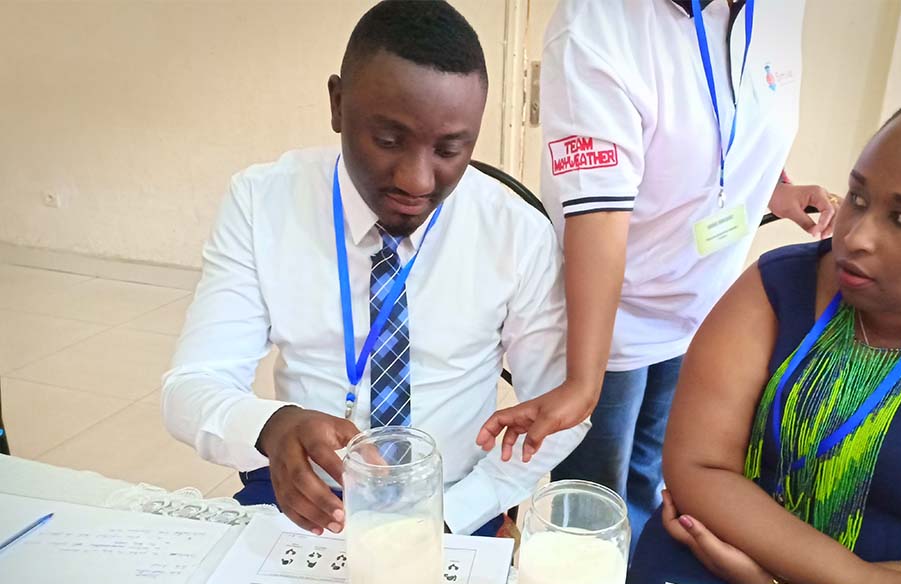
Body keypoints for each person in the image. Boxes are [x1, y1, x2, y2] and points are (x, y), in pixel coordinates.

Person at [162, 0, 588, 538]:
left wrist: (460, 514)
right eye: (388, 141)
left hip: (450, 502)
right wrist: (271, 425)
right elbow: (190, 387)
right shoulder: (262, 202)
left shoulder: (516, 233)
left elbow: (559, 409)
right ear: (338, 104)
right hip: (305, 491)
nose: (415, 180)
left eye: (449, 150)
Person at [624, 40, 901, 584]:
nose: (855, 236)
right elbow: (697, 473)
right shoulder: (777, 287)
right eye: (857, 196)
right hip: (704, 580)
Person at [478, 0, 837, 540]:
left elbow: (743, 118)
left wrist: (774, 187)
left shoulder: (782, 9)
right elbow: (599, 218)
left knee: (651, 480)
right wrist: (582, 380)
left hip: (705, 306)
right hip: (610, 320)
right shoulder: (597, 24)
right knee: (593, 504)